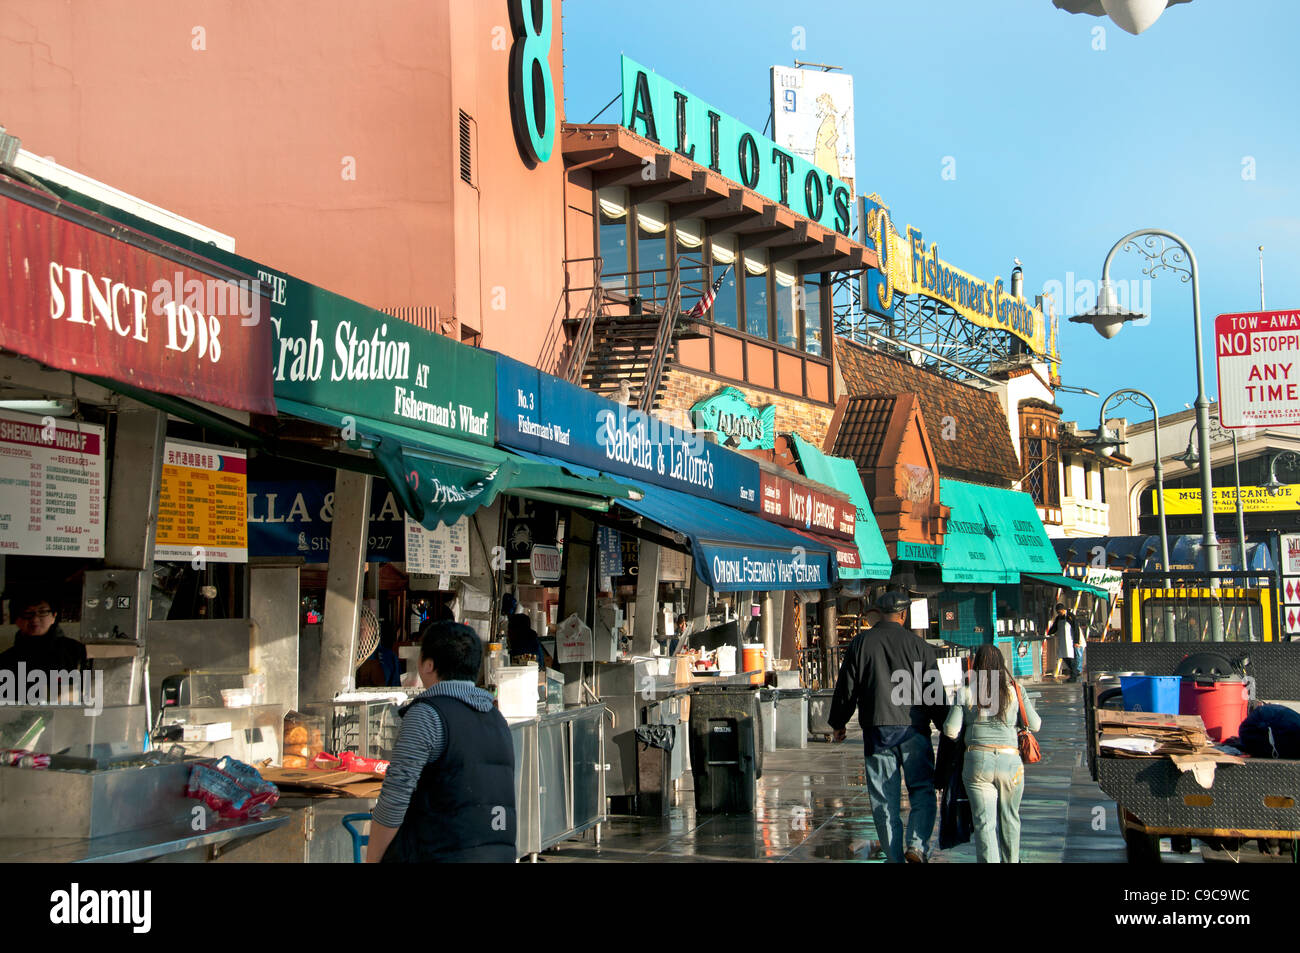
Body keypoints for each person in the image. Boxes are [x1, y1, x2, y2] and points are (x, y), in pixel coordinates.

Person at [367, 622, 517, 862]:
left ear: (428, 665)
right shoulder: (495, 716)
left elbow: (395, 798)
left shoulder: (427, 714)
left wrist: (374, 859)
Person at [829, 590, 948, 863]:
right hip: (914, 729)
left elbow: (846, 687)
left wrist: (838, 722)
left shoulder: (862, 643)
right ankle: (916, 845)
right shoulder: (920, 647)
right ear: (903, 615)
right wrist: (944, 723)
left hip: (878, 729)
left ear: (879, 614)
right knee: (922, 790)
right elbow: (934, 691)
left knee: (884, 799)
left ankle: (894, 857)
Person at [942, 644, 1041, 863]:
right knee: (1010, 818)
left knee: (985, 823)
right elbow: (1035, 724)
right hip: (1011, 763)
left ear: (976, 666)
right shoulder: (1015, 690)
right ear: (1001, 664)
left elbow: (950, 730)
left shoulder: (967, 691)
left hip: (977, 763)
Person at [0, 593, 87, 679]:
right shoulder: (5, 660)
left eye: (42, 612)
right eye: (27, 613)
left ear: (54, 616)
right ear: (16, 620)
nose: (35, 619)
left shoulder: (77, 652)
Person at [1046, 603, 1080, 681]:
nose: (1059, 613)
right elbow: (1054, 627)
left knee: (1071, 658)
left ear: (1063, 610)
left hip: (1070, 641)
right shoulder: (1058, 618)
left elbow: (1076, 628)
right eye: (1058, 612)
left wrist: (1076, 641)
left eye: (1060, 611)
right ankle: (1074, 672)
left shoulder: (1070, 616)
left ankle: (1074, 675)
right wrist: (1049, 633)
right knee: (1064, 657)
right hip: (1062, 640)